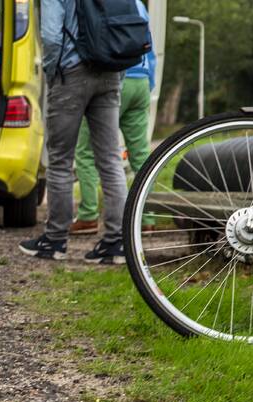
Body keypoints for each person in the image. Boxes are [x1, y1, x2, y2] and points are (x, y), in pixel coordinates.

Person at [18, 0, 128, 264]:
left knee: (60, 161)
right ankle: (116, 243)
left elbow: (51, 35)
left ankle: (54, 240)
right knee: (111, 160)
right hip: (110, 71)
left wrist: (53, 72)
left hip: (71, 72)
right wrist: (116, 74)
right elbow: (126, 26)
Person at [71, 0, 156, 235]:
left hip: (117, 78)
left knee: (86, 151)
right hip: (141, 81)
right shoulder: (137, 4)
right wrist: (149, 84)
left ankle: (88, 215)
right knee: (140, 155)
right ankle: (146, 218)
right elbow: (149, 43)